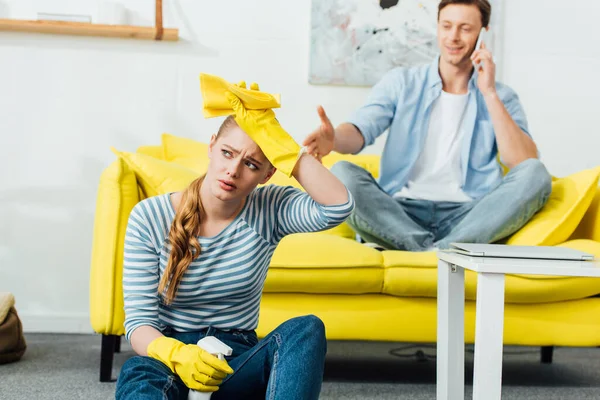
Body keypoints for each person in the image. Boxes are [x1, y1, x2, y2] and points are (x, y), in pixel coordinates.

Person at [115, 86, 354, 399]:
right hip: (171, 360)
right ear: (212, 146)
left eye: (252, 164)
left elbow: (338, 206)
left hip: (237, 361)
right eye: (227, 153)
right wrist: (178, 355)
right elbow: (139, 323)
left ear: (268, 173)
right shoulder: (149, 216)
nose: (233, 170)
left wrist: (287, 152)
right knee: (137, 373)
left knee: (306, 329)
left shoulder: (271, 209)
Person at [303, 0, 552, 251]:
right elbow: (360, 130)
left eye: (465, 28)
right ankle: (443, 252)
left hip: (470, 216)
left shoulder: (501, 95)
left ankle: (427, 250)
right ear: (438, 27)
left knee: (536, 174)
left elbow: (523, 163)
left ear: (483, 33)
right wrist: (333, 139)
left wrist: (488, 92)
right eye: (446, 26)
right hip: (400, 212)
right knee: (342, 172)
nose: (453, 37)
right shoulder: (402, 82)